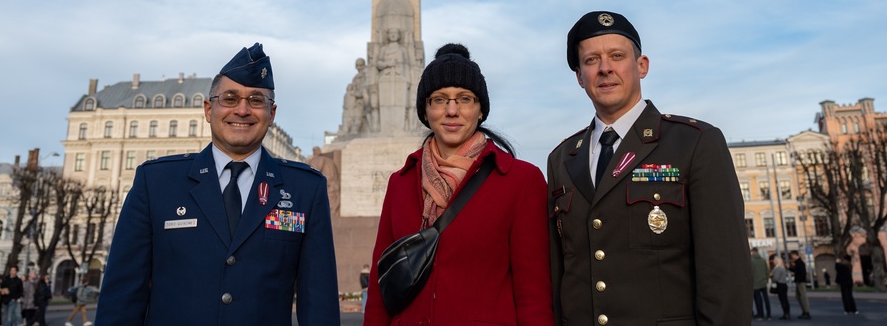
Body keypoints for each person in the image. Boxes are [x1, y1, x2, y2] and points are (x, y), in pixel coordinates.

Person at [94, 43, 340, 326]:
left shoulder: (305, 189)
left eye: (256, 100)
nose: (243, 110)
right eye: (231, 98)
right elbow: (122, 296)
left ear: (271, 115)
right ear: (209, 109)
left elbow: (319, 302)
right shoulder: (157, 183)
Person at [547, 11, 752, 325]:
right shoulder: (561, 158)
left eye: (617, 56)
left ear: (641, 66)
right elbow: (560, 271)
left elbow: (726, 275)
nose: (605, 69)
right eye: (591, 61)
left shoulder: (694, 143)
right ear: (579, 77)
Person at [364, 43, 554, 325]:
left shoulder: (521, 181)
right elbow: (381, 291)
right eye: (439, 99)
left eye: (464, 99)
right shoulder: (401, 182)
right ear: (425, 111)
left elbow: (533, 298)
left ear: (480, 110)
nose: (452, 111)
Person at [789, 250, 811, 319]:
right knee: (798, 296)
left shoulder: (800, 263)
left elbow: (801, 272)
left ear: (795, 255)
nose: (791, 257)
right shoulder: (798, 262)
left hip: (800, 281)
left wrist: (790, 268)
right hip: (799, 281)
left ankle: (806, 312)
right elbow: (796, 270)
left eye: (792, 255)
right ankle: (804, 311)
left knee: (803, 296)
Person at [753, 248, 772, 321]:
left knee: (758, 300)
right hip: (763, 282)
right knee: (766, 298)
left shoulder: (752, 261)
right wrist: (766, 280)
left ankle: (760, 314)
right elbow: (767, 271)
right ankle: (769, 315)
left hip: (755, 284)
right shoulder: (763, 260)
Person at [770, 254, 791, 320]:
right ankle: (787, 313)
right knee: (785, 300)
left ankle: (786, 314)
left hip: (780, 285)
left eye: (774, 260)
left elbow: (776, 278)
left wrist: (772, 277)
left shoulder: (778, 269)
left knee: (783, 300)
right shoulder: (782, 268)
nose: (773, 261)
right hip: (783, 285)